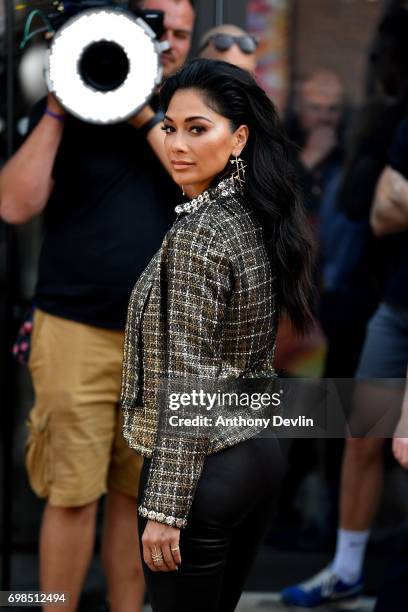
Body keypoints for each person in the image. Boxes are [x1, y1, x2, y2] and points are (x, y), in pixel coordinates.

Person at [0, 1, 195, 611]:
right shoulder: (67, 108)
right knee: (70, 493)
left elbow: (205, 187)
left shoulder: (193, 118)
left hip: (160, 338)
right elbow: (14, 205)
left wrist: (143, 113)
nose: (166, 43)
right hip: (73, 328)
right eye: (155, 27)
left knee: (138, 499)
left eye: (179, 34)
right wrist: (60, 106)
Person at [120, 57, 315, 612]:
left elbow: (190, 379)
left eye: (197, 129)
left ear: (239, 138)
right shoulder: (255, 213)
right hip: (258, 453)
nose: (177, 144)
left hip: (204, 473)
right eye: (170, 128)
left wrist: (165, 509)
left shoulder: (199, 235)